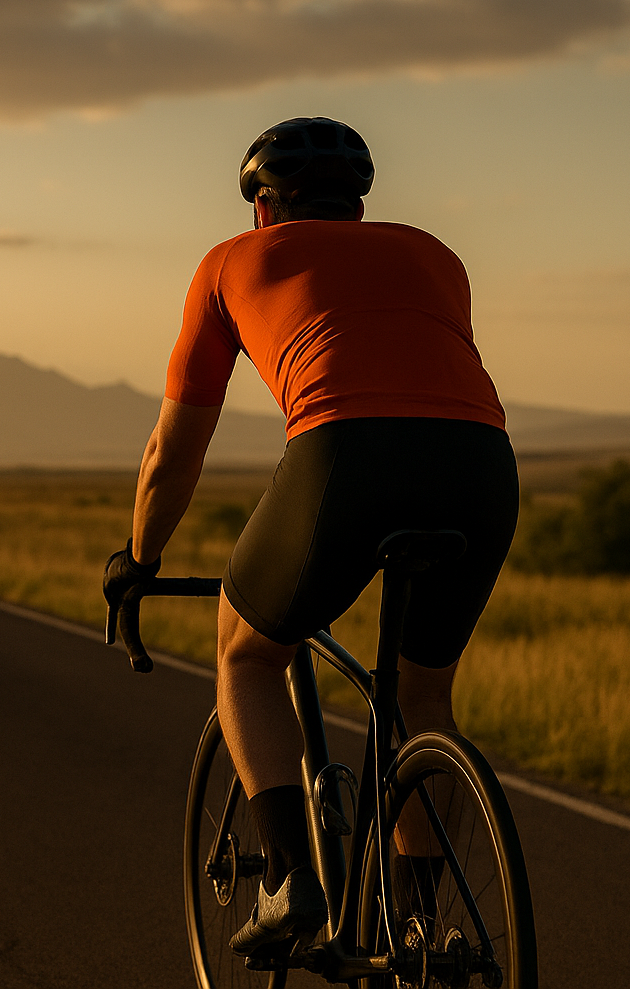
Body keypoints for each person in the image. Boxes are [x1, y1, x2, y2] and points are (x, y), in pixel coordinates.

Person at [103, 117, 518, 965]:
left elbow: (171, 454)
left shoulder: (229, 263)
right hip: (483, 465)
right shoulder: (437, 255)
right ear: (358, 205)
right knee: (420, 699)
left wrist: (139, 560)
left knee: (246, 654)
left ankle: (291, 878)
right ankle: (418, 927)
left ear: (263, 208)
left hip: (344, 458)